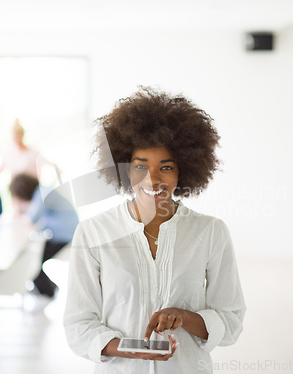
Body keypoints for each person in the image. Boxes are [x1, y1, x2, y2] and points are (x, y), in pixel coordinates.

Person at [63, 87, 246, 373]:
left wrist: (184, 317)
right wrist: (132, 350)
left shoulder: (211, 232)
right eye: (140, 166)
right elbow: (78, 325)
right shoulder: (93, 233)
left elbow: (231, 321)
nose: (152, 179)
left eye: (166, 167)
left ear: (183, 170)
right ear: (125, 169)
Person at [9, 173, 79, 309]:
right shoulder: (43, 191)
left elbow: (31, 219)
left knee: (32, 258)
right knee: (33, 255)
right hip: (64, 235)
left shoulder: (43, 193)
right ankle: (48, 289)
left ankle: (47, 291)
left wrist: (17, 211)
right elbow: (40, 223)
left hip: (67, 236)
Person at [0, 119, 41, 194]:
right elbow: (2, 167)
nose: (17, 139)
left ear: (22, 135)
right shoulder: (9, 152)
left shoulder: (33, 152)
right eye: (15, 137)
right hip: (16, 192)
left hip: (31, 191)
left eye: (18, 136)